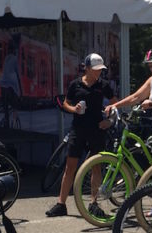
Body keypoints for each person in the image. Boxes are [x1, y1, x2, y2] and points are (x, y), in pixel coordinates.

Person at [46, 53, 115, 218]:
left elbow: (115, 104)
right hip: (78, 129)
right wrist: (73, 109)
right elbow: (66, 103)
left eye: (101, 70)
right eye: (96, 69)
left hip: (97, 129)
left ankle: (94, 203)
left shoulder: (103, 85)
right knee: (70, 166)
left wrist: (110, 121)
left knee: (96, 166)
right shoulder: (75, 84)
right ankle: (61, 204)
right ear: (87, 68)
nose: (99, 72)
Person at [0, 40, 22, 129]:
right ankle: (14, 120)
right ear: (14, 50)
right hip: (11, 85)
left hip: (3, 85)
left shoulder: (6, 59)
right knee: (15, 103)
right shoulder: (15, 59)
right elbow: (18, 74)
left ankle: (6, 121)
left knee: (6, 107)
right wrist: (21, 91)